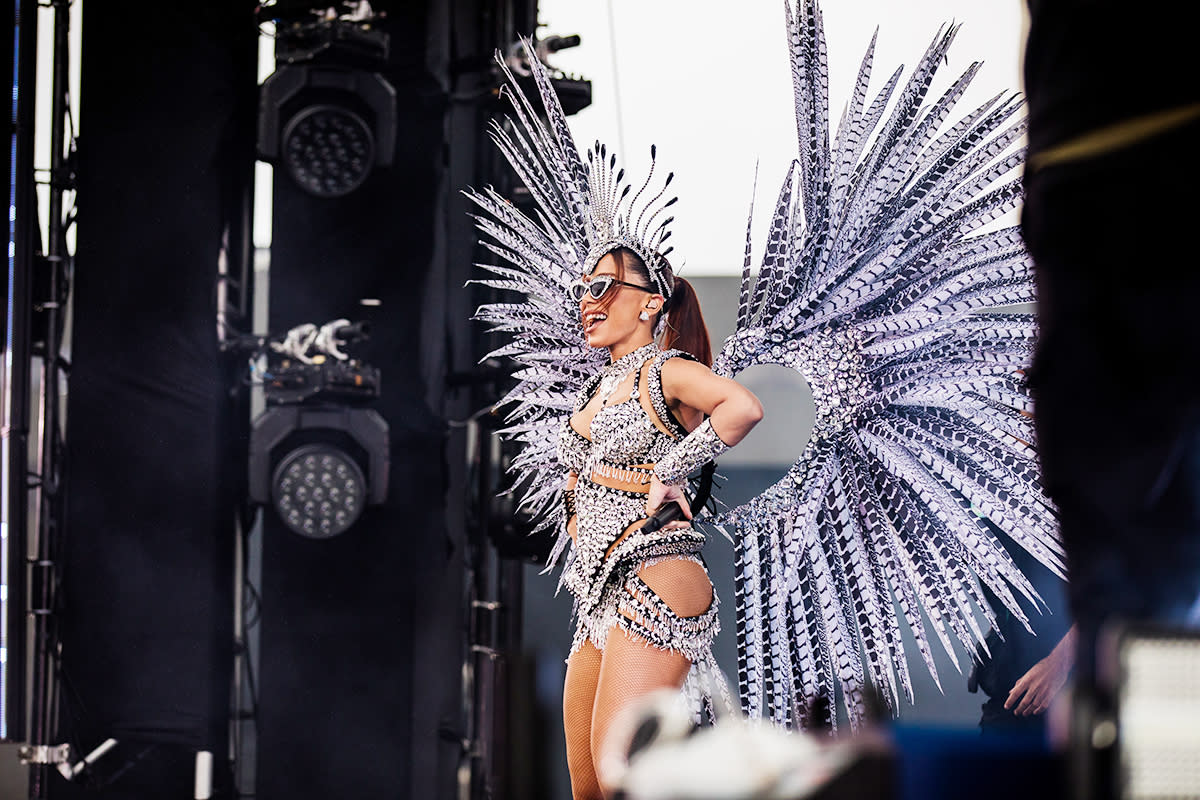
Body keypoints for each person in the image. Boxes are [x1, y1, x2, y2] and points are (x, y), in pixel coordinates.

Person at [556, 245, 762, 799]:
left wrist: (671, 470)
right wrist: (578, 508)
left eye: (603, 287)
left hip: (655, 576)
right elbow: (581, 479)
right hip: (601, 592)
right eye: (583, 289)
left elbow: (741, 408)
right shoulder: (596, 390)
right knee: (588, 787)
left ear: (649, 304)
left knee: (620, 774)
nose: (587, 302)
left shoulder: (667, 370)